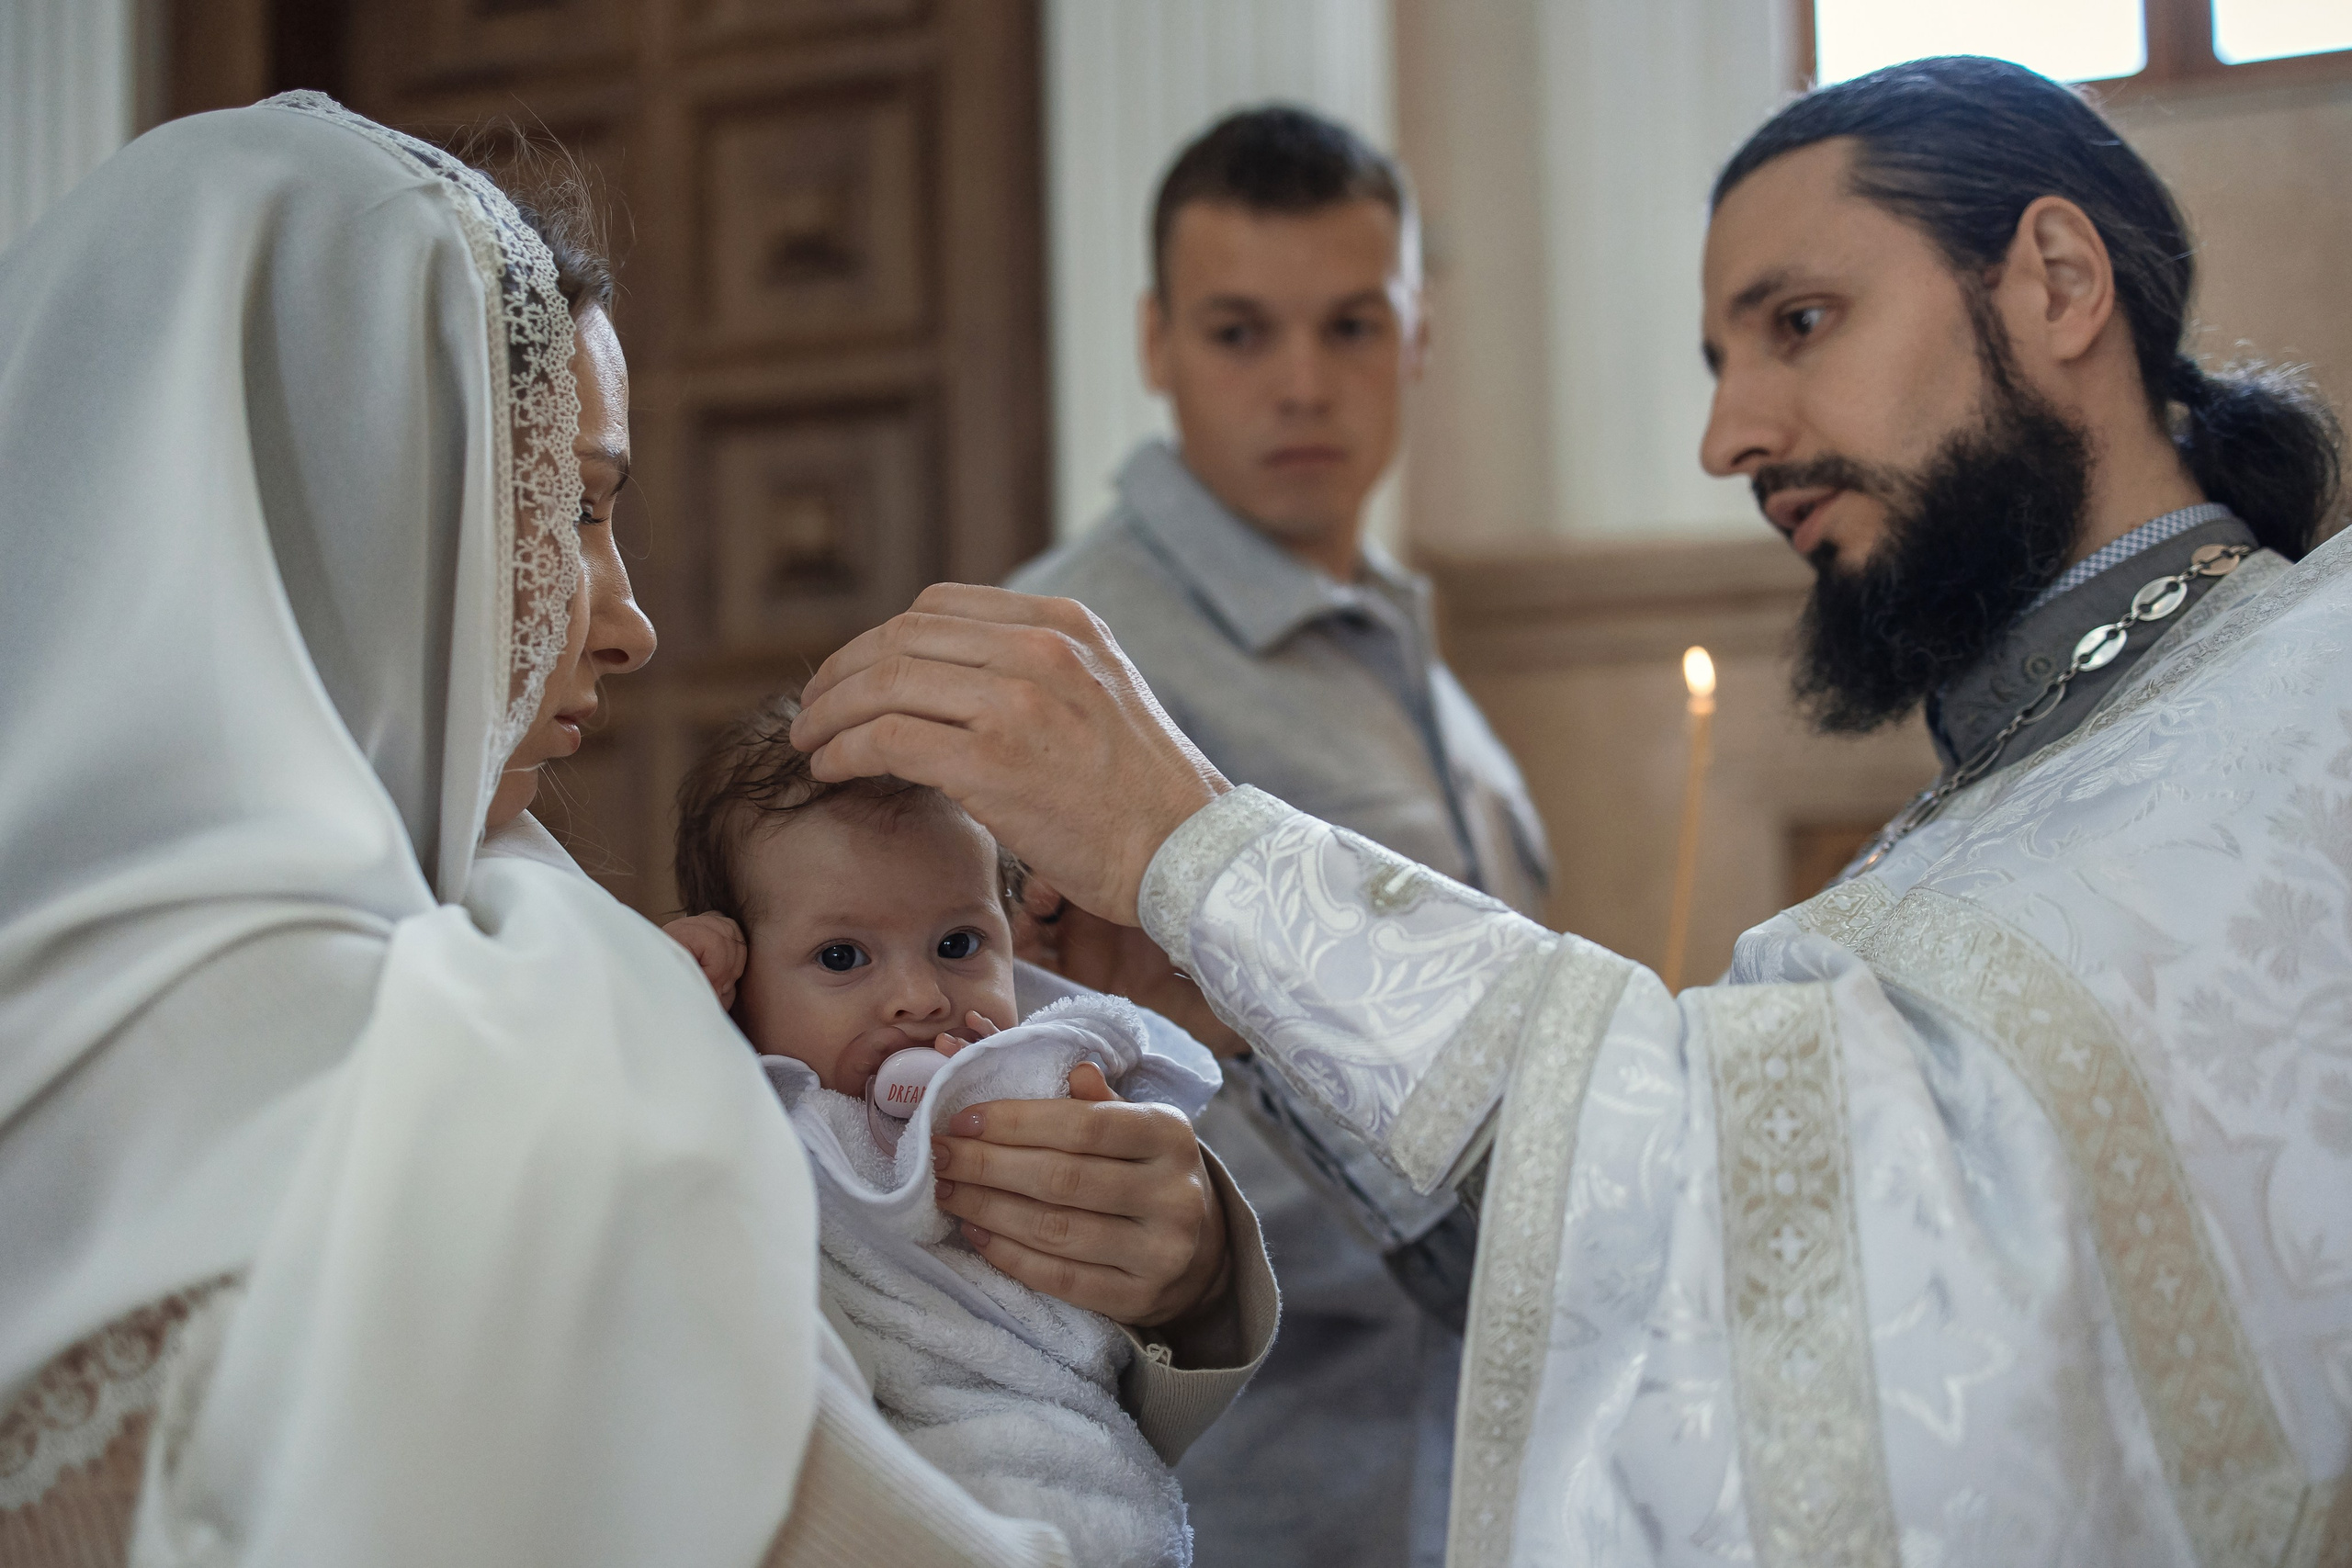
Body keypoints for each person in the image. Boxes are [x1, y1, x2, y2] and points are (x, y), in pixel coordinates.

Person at [789, 57, 2352, 1566]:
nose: (1728, 438)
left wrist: (1198, 853)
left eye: (1801, 322)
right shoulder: (2049, 753)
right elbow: (1650, 1233)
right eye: (1723, 359)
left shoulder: (2297, 705)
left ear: (2060, 284)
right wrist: (1242, 994)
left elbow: (1779, 1235)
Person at [0, 93, 1272, 1567]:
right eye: (569, 511)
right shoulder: (482, 1055)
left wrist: (1170, 1278)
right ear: (346, 513)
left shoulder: (391, 938)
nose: (630, 623)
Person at [1008, 105, 1548, 1567]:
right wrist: (1536, 1215)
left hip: (1458, 1472)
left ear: (1417, 334)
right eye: (1240, 332)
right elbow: (1025, 1091)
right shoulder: (1074, 662)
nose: (1303, 384)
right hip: (1251, 1492)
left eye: (1351, 326)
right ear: (1156, 340)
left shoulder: (1396, 640)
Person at [661, 700, 1238, 1568]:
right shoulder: (743, 1097)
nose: (920, 997)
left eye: (959, 942)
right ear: (740, 980)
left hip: (1068, 1478)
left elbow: (1131, 1289)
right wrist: (671, 1004)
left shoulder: (1043, 1081)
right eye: (843, 957)